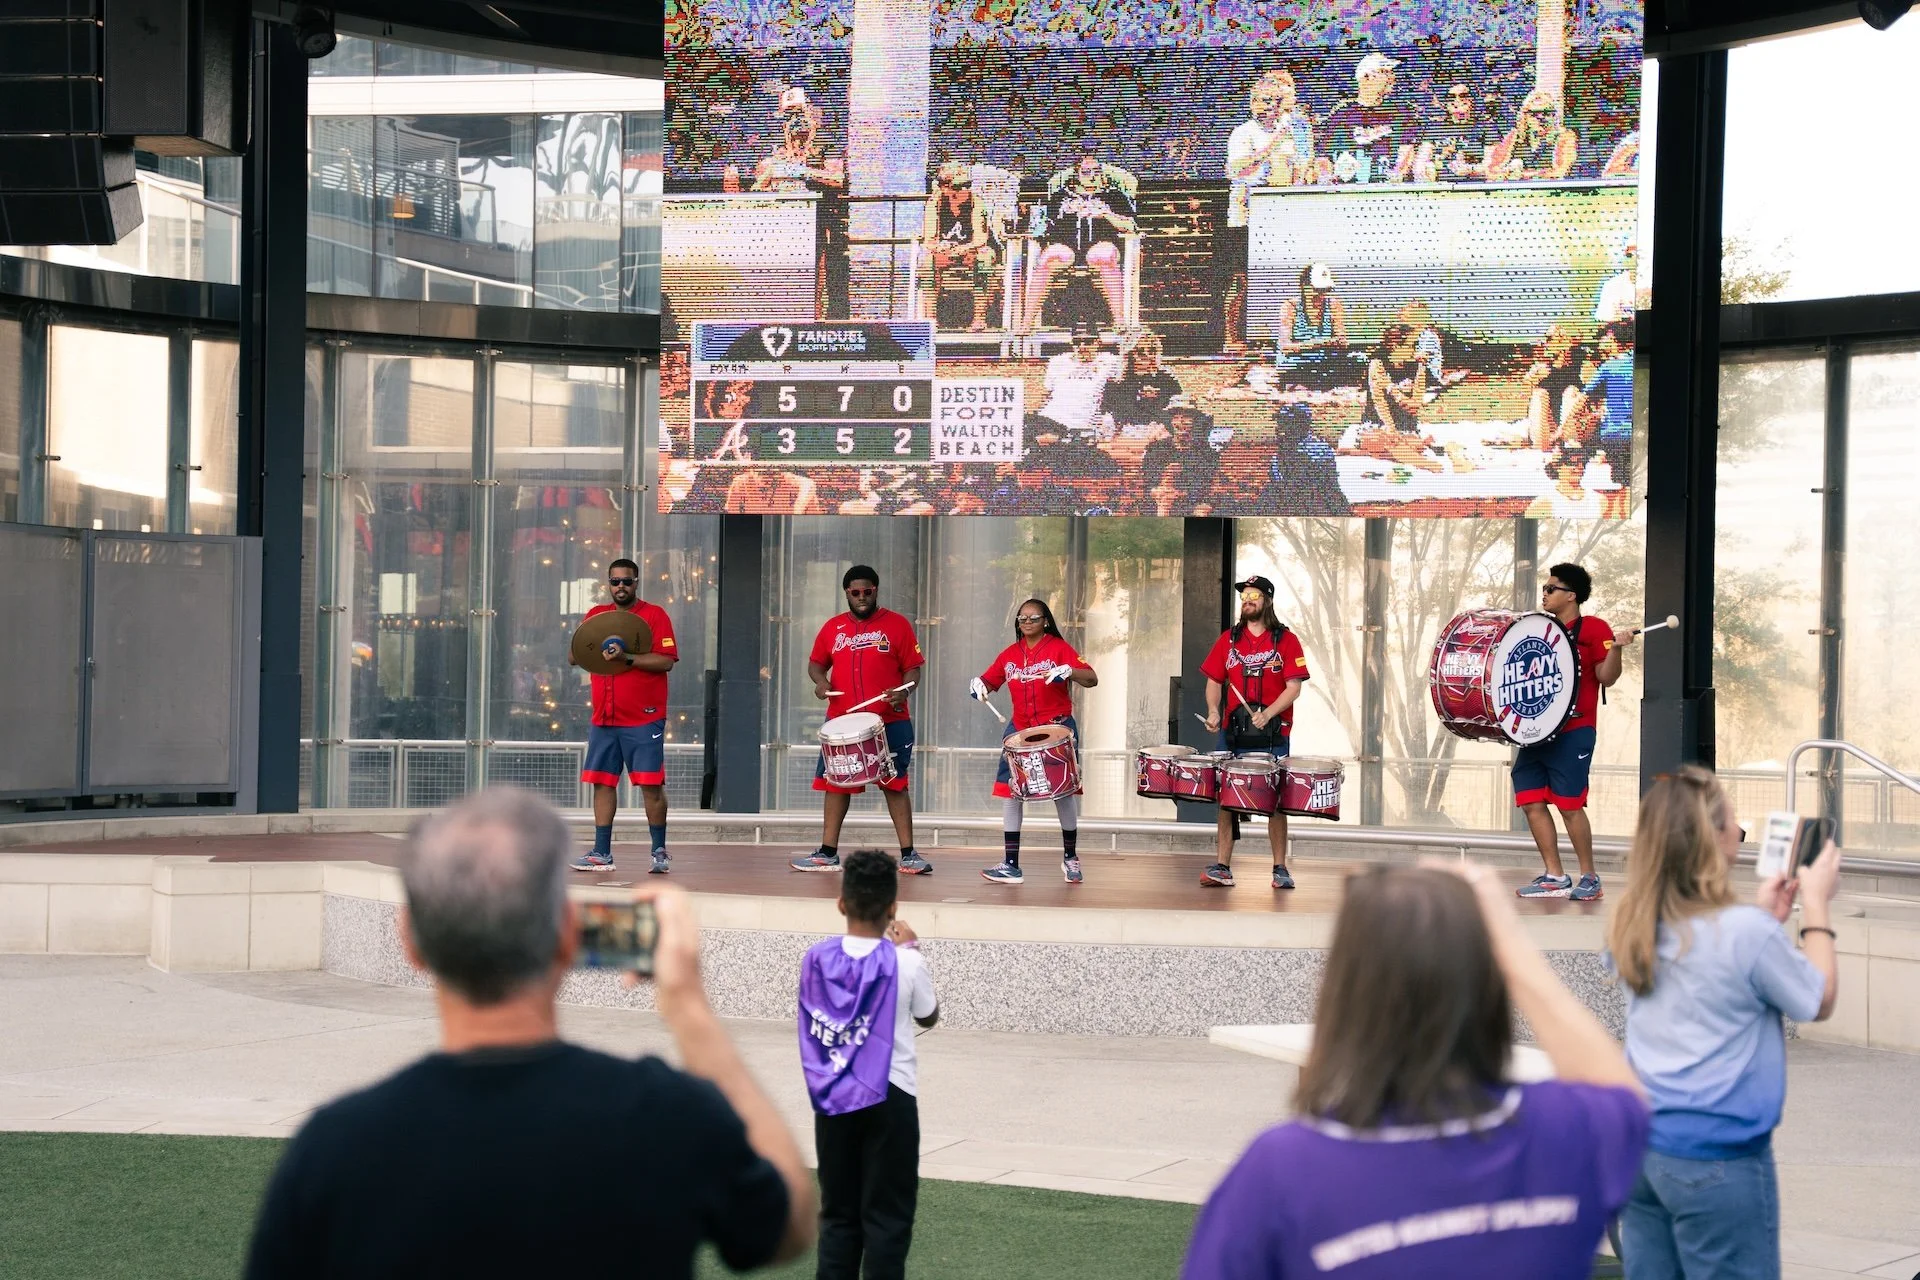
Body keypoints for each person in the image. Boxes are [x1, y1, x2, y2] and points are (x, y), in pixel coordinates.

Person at [245, 788, 814, 1279]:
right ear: (567, 934)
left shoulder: (335, 1149)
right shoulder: (663, 1114)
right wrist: (689, 1005)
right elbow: (788, 1225)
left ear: (411, 941)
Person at [1182, 861, 1649, 1278]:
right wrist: (1510, 942)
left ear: (1346, 990)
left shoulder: (1282, 1170)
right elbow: (1626, 1101)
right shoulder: (1562, 1132)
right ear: (1486, 984)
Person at [1607, 766, 1842, 1279]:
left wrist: (1763, 917)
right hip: (1718, 1162)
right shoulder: (1744, 933)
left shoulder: (1633, 924)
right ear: (1710, 841)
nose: (1739, 836)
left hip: (1643, 1154)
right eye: (1734, 826)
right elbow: (1817, 999)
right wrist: (1817, 905)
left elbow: (1707, 961)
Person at [801, 849, 940, 1280]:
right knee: (887, 1220)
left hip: (834, 1097)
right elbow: (928, 1015)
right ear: (893, 907)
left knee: (839, 1217)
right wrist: (911, 947)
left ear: (841, 904)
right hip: (891, 1097)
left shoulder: (816, 958)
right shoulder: (906, 960)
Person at [792, 566, 932, 875]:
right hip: (842, 722)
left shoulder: (897, 625)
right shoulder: (832, 628)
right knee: (836, 785)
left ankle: (909, 855)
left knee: (894, 785)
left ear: (876, 590)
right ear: (846, 594)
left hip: (889, 720)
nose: (862, 597)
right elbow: (816, 665)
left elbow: (914, 669)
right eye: (855, 592)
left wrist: (903, 690)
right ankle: (827, 853)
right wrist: (820, 683)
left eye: (867, 591)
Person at [1516, 563, 1630, 900]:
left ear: (1572, 595)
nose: (1545, 593)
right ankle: (1555, 875)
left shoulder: (1594, 628)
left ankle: (1589, 877)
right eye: (1545, 588)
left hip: (1575, 729)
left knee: (1569, 804)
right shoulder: (1540, 630)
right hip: (1537, 730)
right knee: (1531, 800)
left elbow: (1607, 677)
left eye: (1552, 588)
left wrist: (1617, 648)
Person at [970, 599, 1098, 885]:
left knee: (1063, 790)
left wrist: (1069, 671)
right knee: (1011, 792)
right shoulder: (1009, 655)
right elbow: (990, 681)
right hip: (1020, 731)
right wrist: (979, 685)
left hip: (1056, 727)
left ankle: (1070, 858)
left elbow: (1091, 678)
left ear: (1045, 621)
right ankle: (1010, 864)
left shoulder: (1058, 648)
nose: (1026, 623)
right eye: (1022, 618)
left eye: (1033, 618)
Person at [1199, 576, 1310, 889]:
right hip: (1232, 732)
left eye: (1254, 595)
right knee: (1226, 797)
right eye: (1244, 595)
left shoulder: (1286, 640)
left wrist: (1269, 713)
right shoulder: (1229, 640)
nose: (1247, 599)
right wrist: (1213, 711)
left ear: (1268, 601)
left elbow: (1294, 687)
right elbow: (1213, 682)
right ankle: (1222, 866)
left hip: (1274, 732)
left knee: (1274, 798)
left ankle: (1280, 868)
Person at [569, 558, 677, 874]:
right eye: (615, 581)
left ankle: (659, 851)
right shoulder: (595, 615)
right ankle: (601, 853)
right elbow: (574, 656)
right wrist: (592, 644)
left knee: (650, 785)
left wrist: (627, 657)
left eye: (626, 581)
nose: (620, 587)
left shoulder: (655, 615)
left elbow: (666, 661)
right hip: (604, 718)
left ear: (636, 582)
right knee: (602, 783)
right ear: (608, 583)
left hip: (644, 717)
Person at [1221, 70, 1314, 353]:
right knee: (1242, 278)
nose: (1268, 106)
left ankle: (1279, 336)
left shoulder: (1293, 132)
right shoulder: (1243, 133)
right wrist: (1271, 146)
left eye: (1274, 100)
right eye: (1261, 100)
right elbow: (1235, 170)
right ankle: (1231, 337)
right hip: (1246, 216)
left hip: (1281, 214)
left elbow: (1301, 166)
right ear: (1252, 103)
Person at [753, 88, 849, 320]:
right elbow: (758, 186)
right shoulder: (776, 147)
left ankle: (812, 321)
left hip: (819, 218)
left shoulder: (826, 143)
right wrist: (773, 174)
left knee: (818, 275)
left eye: (799, 112)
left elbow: (838, 179)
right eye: (788, 115)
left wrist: (805, 172)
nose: (794, 120)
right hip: (783, 220)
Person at [1024, 152, 1137, 332]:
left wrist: (1106, 214)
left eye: (1096, 171)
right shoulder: (1061, 196)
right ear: (1076, 175)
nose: (1092, 176)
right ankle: (1026, 323)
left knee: (1103, 256)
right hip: (1066, 246)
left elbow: (1130, 226)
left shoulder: (1114, 195)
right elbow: (1043, 225)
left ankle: (1119, 320)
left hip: (1101, 244)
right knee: (1047, 258)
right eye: (1086, 172)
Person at [1029, 320, 1124, 479]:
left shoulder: (1109, 362)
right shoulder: (1058, 362)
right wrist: (1032, 413)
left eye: (1087, 341)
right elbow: (1045, 393)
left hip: (1079, 426)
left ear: (1098, 343)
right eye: (1077, 342)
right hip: (1049, 419)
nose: (1082, 346)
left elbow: (1125, 381)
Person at [920, 161, 995, 332]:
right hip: (945, 252)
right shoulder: (935, 203)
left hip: (971, 251)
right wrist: (941, 247)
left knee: (985, 258)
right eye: (959, 186)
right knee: (927, 262)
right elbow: (929, 240)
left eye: (968, 184)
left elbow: (981, 238)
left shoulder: (976, 202)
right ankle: (931, 320)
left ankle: (979, 319)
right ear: (945, 188)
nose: (965, 190)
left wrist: (965, 248)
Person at [1320, 52, 1417, 185]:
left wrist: (1397, 174)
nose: (1392, 77)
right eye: (1384, 72)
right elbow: (1324, 156)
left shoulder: (1402, 112)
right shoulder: (1340, 116)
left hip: (1388, 187)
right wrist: (1327, 177)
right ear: (1366, 77)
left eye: (1391, 72)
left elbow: (1407, 150)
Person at [1271, 264, 1357, 390]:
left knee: (1359, 360)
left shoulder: (1333, 305)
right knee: (1287, 364)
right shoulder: (1290, 307)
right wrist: (1319, 343)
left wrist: (1339, 342)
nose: (1321, 295)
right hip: (1298, 358)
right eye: (1317, 290)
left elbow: (1342, 339)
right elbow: (1285, 346)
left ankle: (1311, 380)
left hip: (1324, 358)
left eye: (1325, 290)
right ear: (1304, 286)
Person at [1139, 395, 1223, 513]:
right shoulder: (1156, 449)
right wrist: (1166, 478)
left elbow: (1210, 487)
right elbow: (1149, 485)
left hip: (1192, 503)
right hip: (1160, 502)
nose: (1180, 422)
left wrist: (1182, 494)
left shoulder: (1206, 452)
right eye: (1176, 417)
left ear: (1195, 420)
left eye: (1186, 417)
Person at [1523, 324, 1590, 452]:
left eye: (1558, 337)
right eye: (1549, 338)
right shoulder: (1542, 365)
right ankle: (1541, 444)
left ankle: (1570, 442)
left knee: (1571, 392)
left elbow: (1591, 391)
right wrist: (1535, 377)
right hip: (1550, 423)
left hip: (1574, 423)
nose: (1549, 342)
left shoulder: (1580, 361)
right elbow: (1526, 385)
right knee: (1539, 394)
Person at [1488, 89, 1579, 182]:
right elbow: (1492, 169)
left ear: (1554, 116)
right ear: (1525, 116)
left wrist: (1523, 175)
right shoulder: (1514, 136)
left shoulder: (1565, 136)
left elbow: (1561, 172)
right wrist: (1506, 173)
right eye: (1534, 114)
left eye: (1546, 113)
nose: (1540, 118)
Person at [1425, 81, 1497, 181]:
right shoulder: (1434, 128)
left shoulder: (1486, 127)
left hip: (1476, 186)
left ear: (1472, 100)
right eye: (1451, 97)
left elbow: (1493, 166)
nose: (1457, 100)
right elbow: (1422, 161)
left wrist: (1471, 170)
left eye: (1463, 96)